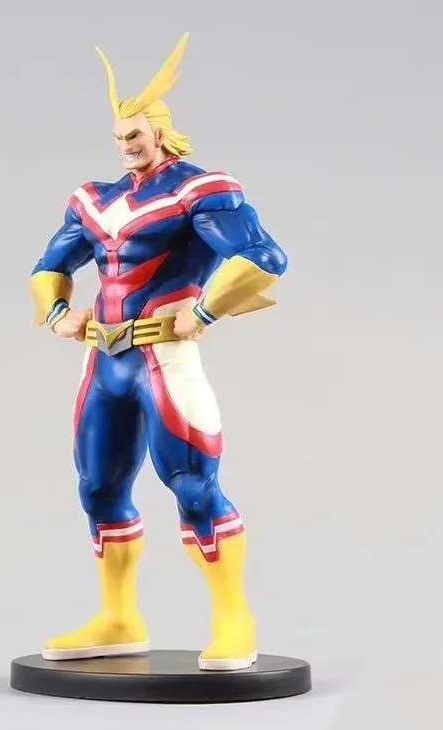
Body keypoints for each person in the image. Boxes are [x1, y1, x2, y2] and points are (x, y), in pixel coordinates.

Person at [29, 32, 288, 671]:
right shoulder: (96, 199)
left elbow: (264, 257)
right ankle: (119, 617)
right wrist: (58, 312)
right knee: (97, 488)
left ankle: (233, 618)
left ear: (163, 133)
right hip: (105, 361)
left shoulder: (198, 190)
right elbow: (49, 266)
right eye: (119, 135)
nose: (126, 143)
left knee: (193, 485)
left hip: (162, 358)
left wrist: (204, 310)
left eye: (136, 133)